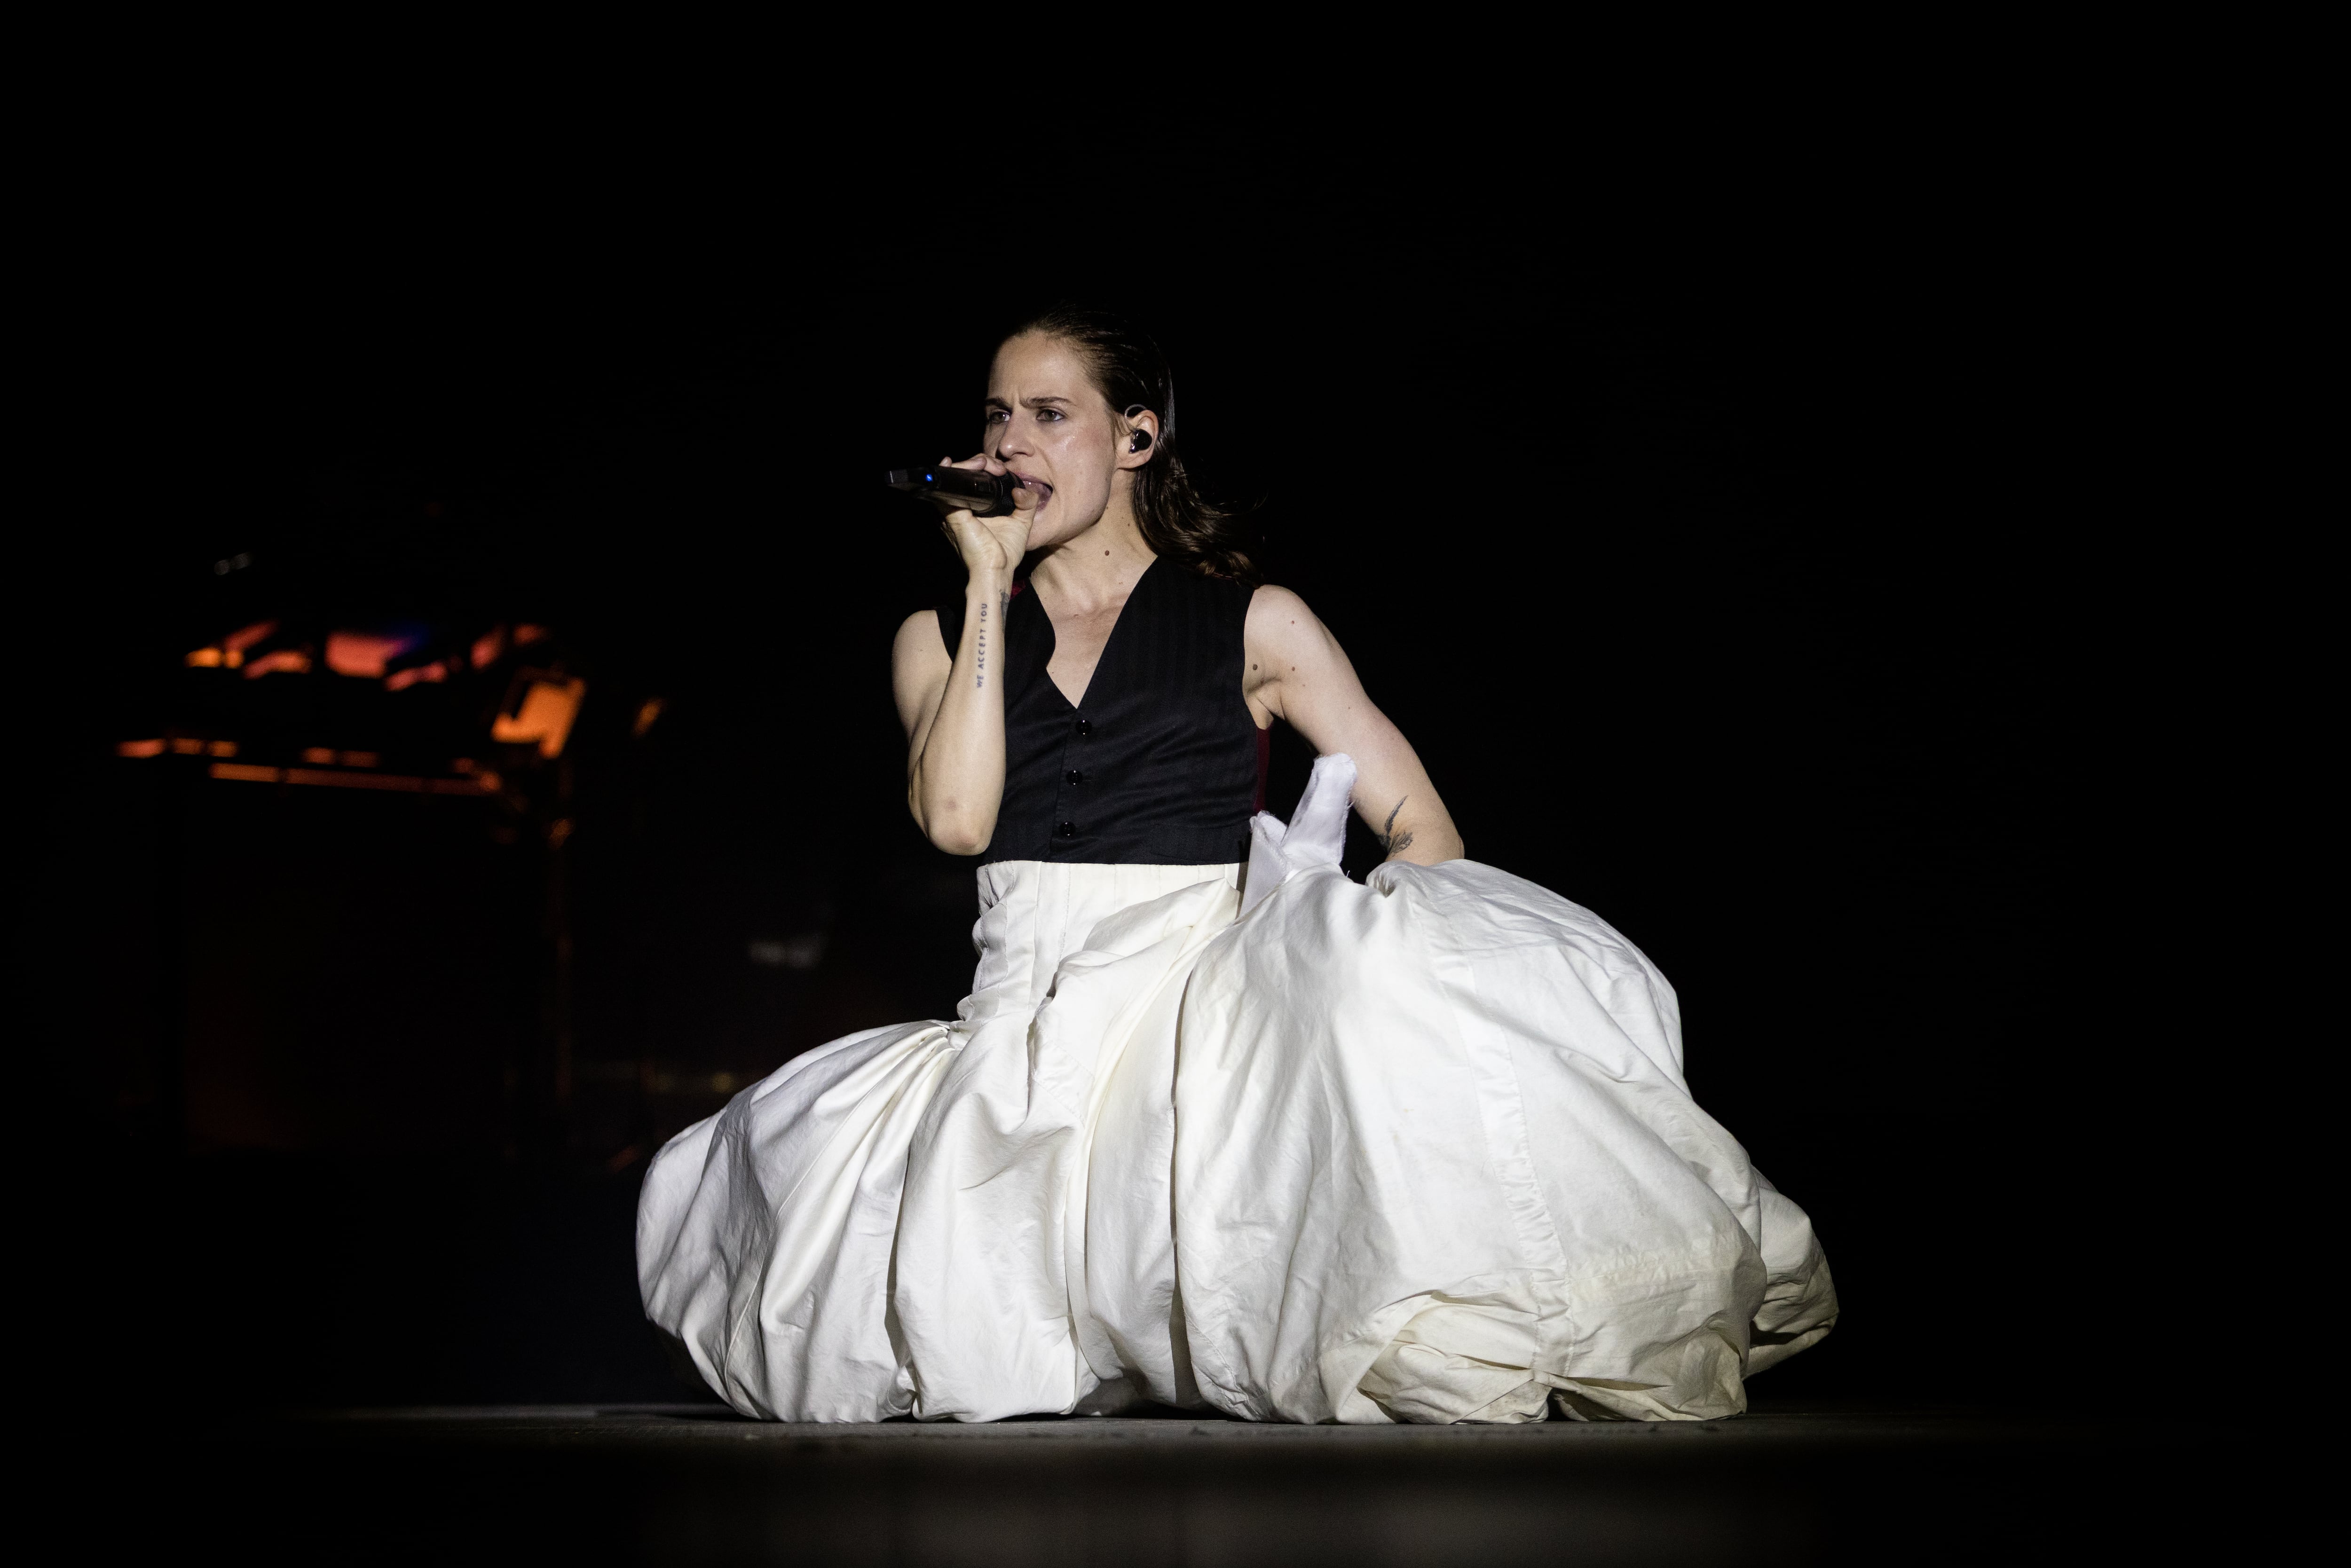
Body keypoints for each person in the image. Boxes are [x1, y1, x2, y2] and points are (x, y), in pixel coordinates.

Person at [637, 307, 1838, 1424]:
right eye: (998, 415)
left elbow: (1421, 822)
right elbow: (956, 823)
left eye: (1051, 416)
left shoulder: (1253, 620)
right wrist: (989, 581)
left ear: (1137, 436)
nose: (1010, 444)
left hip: (1203, 1007)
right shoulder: (940, 632)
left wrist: (1357, 950)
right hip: (1023, 1012)